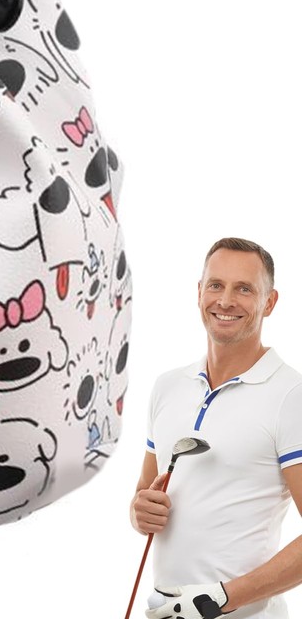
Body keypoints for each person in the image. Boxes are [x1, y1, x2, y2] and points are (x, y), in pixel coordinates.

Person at [130, 238, 302, 618]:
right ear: (199, 292)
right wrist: (139, 512)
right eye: (216, 285)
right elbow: (144, 492)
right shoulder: (167, 387)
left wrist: (222, 598)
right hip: (164, 610)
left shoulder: (292, 395)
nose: (225, 301)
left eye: (244, 289)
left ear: (269, 302)